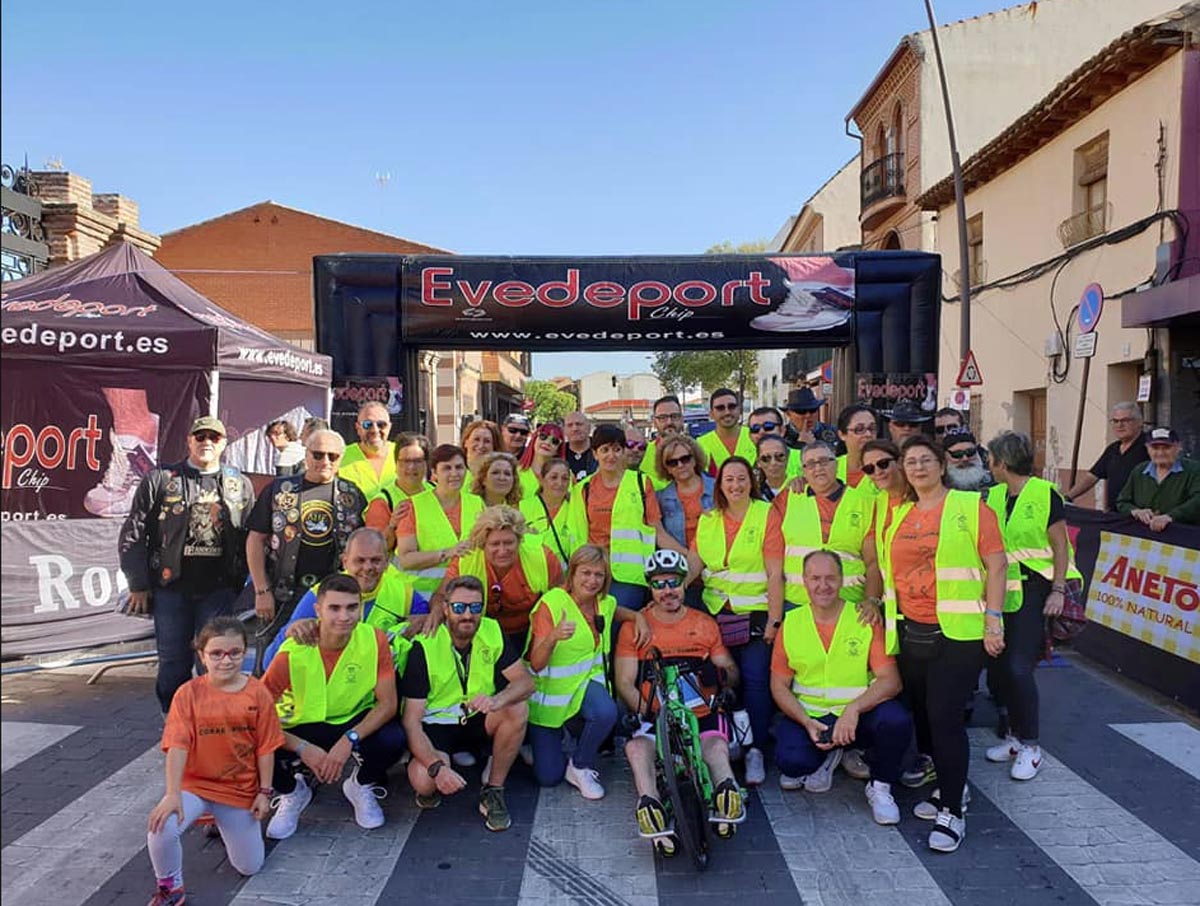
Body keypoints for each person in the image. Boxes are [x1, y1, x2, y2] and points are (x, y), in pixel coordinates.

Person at [881, 436, 1007, 853]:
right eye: (910, 461)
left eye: (925, 460)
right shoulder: (899, 513)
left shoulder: (971, 507)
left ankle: (952, 809)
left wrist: (994, 619)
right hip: (910, 630)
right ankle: (950, 785)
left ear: (941, 466)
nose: (917, 467)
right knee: (922, 715)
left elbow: (996, 563)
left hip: (960, 631)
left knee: (944, 716)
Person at [119, 416, 256, 713]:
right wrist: (138, 584)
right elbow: (133, 533)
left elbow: (252, 537)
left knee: (216, 659)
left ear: (223, 443)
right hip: (171, 589)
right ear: (189, 441)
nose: (207, 442)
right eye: (200, 436)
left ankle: (211, 721)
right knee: (172, 662)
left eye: (214, 437)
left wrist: (249, 584)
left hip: (219, 590)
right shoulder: (162, 479)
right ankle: (173, 719)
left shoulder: (239, 484)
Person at [146, 618, 284, 906]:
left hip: (238, 790)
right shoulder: (188, 693)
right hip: (195, 786)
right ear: (202, 656)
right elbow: (177, 746)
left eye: (235, 652)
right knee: (161, 828)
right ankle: (171, 888)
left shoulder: (258, 692)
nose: (226, 660)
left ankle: (222, 822)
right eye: (216, 653)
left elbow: (266, 747)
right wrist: (172, 795)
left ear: (245, 651)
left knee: (250, 867)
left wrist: (265, 792)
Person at [615, 549, 744, 855]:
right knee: (636, 748)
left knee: (715, 747)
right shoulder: (635, 627)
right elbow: (624, 682)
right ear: (650, 588)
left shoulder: (704, 623)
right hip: (656, 713)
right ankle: (649, 804)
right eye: (659, 585)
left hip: (702, 712)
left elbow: (732, 672)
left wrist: (722, 676)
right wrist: (649, 713)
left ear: (685, 584)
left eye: (673, 583)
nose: (667, 591)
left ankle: (726, 792)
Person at [771, 552, 911, 824]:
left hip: (857, 718)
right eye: (815, 579)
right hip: (812, 718)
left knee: (896, 721)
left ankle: (880, 787)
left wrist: (853, 709)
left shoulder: (863, 618)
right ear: (804, 582)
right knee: (790, 762)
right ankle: (832, 753)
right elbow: (778, 685)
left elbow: (891, 680)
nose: (823, 586)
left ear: (842, 580)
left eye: (830, 578)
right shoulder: (792, 623)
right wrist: (805, 721)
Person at [262, 574, 405, 839]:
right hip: (302, 725)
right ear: (318, 610)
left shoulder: (375, 640)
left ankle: (359, 784)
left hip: (351, 721)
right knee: (248, 742)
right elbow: (256, 715)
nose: (344, 616)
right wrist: (303, 748)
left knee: (394, 738)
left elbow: (388, 704)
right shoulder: (292, 650)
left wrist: (348, 740)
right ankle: (292, 792)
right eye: (334, 608)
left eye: (352, 607)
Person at [984, 432, 1081, 780]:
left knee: (1019, 668)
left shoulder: (1044, 494)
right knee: (999, 670)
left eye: (990, 459)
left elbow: (1060, 547)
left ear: (1002, 461)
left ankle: (1031, 745)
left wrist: (1058, 589)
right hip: (1001, 594)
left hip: (1036, 591)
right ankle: (1012, 736)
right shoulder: (994, 496)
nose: (988, 465)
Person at [402, 576, 533, 831]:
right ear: (445, 608)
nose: (467, 616)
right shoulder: (425, 645)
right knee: (424, 782)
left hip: (477, 717)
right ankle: (440, 767)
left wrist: (497, 700)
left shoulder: (492, 630)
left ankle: (493, 789)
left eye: (475, 608)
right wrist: (436, 768)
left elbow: (526, 683)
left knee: (517, 707)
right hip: (438, 724)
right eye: (459, 608)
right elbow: (411, 722)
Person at [692, 456, 784, 787]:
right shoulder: (709, 519)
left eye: (741, 478)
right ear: (719, 486)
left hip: (757, 612)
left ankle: (756, 749)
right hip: (717, 611)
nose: (735, 485)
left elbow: (775, 571)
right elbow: (695, 561)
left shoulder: (765, 513)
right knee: (722, 680)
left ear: (751, 481)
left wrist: (775, 619)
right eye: (729, 479)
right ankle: (729, 739)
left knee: (756, 680)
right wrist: (669, 585)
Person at [246, 429, 366, 666]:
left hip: (333, 593)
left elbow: (362, 546)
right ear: (306, 455)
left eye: (333, 456)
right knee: (273, 659)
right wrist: (261, 591)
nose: (325, 462)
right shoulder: (280, 490)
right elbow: (255, 540)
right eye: (318, 454)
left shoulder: (351, 494)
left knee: (328, 660)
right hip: (284, 592)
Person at [526, 546, 636, 798]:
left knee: (607, 712)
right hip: (550, 699)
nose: (592, 580)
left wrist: (638, 618)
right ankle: (551, 739)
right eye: (585, 573)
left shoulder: (605, 603)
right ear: (572, 574)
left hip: (584, 685)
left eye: (599, 575)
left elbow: (618, 611)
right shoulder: (552, 603)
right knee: (549, 777)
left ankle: (580, 764)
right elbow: (536, 663)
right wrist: (553, 637)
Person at [260, 528, 427, 670]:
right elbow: (269, 662)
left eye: (375, 560)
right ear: (345, 561)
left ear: (386, 562)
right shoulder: (320, 594)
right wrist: (291, 631)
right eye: (360, 560)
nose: (368, 568)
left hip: (377, 692)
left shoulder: (404, 594)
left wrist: (424, 620)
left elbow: (433, 622)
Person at [568, 423, 693, 611]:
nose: (611, 455)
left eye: (617, 449)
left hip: (630, 576)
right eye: (605, 450)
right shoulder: (582, 489)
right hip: (593, 574)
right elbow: (577, 536)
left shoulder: (641, 483)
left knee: (617, 625)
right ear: (595, 453)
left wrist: (690, 556)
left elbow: (657, 531)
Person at [438, 505, 563, 647]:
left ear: (520, 540)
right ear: (483, 544)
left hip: (534, 633)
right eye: (495, 544)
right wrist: (434, 614)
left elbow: (559, 600)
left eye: (509, 543)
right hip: (482, 636)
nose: (502, 551)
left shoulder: (542, 557)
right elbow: (442, 596)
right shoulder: (466, 561)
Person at [777, 441, 880, 610]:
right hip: (796, 603)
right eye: (810, 464)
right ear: (803, 471)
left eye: (824, 461)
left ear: (837, 464)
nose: (818, 468)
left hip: (851, 603)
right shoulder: (788, 498)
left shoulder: (864, 503)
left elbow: (872, 562)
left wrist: (871, 601)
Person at [393, 444, 485, 600]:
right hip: (421, 596)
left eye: (459, 467)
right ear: (434, 473)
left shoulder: (477, 503)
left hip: (467, 594)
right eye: (447, 468)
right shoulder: (412, 506)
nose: (454, 473)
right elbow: (406, 559)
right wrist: (446, 553)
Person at [1064, 402, 1148, 511]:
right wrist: (1068, 497)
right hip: (1114, 514)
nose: (1119, 425)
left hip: (1140, 515)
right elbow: (1092, 477)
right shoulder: (1113, 449)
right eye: (1115, 421)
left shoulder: (1150, 447)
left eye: (1125, 420)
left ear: (1139, 422)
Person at [1116, 427, 1200, 529]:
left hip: (1183, 537)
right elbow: (1122, 502)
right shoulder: (1139, 471)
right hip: (1144, 536)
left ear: (1178, 447)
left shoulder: (1194, 470)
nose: (1160, 453)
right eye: (1155, 448)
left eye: (1166, 447)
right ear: (1147, 448)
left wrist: (1170, 516)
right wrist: (1136, 511)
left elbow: (1197, 501)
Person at [365, 432, 433, 552]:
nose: (411, 467)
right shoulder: (382, 501)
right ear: (396, 464)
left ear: (426, 464)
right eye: (405, 461)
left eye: (417, 461)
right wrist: (392, 526)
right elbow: (375, 550)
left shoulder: (437, 492)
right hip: (400, 570)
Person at [519, 458, 577, 566]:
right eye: (553, 477)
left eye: (565, 479)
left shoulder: (576, 509)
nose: (559, 483)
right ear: (541, 480)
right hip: (529, 574)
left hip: (563, 578)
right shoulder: (522, 507)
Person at [338, 402, 396, 501]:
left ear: (389, 427)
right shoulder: (340, 457)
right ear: (358, 428)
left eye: (381, 424)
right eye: (367, 424)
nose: (375, 430)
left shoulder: (403, 454)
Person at [697, 388, 757, 471]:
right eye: (720, 408)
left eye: (732, 406)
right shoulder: (700, 444)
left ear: (739, 410)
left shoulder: (755, 435)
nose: (727, 412)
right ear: (711, 414)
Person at [641, 395, 686, 490]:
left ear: (682, 419)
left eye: (674, 416)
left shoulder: (698, 450)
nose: (669, 422)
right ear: (654, 422)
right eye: (662, 417)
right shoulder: (643, 452)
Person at [749, 406, 802, 480]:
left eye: (768, 426)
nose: (761, 432)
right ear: (750, 436)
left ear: (782, 431)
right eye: (755, 428)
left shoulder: (803, 458)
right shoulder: (745, 462)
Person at [518, 422, 566, 499]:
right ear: (534, 439)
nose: (547, 443)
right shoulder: (514, 473)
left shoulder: (566, 476)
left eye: (555, 441)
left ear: (558, 449)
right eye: (543, 436)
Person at [835, 404, 878, 490]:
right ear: (842, 435)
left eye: (872, 428)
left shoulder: (886, 467)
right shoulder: (830, 467)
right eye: (859, 429)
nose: (868, 434)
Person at [756, 433, 802, 503]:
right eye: (765, 458)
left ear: (787, 457)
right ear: (758, 462)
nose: (773, 463)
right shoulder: (754, 493)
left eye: (779, 456)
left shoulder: (800, 485)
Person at [564, 411, 597, 480]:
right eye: (570, 425)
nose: (575, 429)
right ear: (564, 430)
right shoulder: (558, 453)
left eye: (579, 424)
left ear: (589, 428)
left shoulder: (601, 450)